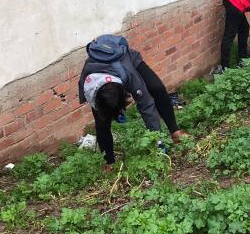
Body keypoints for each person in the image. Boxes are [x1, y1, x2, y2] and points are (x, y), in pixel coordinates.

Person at [78, 34, 185, 164]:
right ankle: (109, 162)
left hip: (125, 57)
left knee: (157, 88)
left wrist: (159, 143)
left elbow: (146, 105)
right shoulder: (89, 86)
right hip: (101, 76)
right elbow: (100, 117)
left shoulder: (128, 74)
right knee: (102, 122)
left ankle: (175, 132)